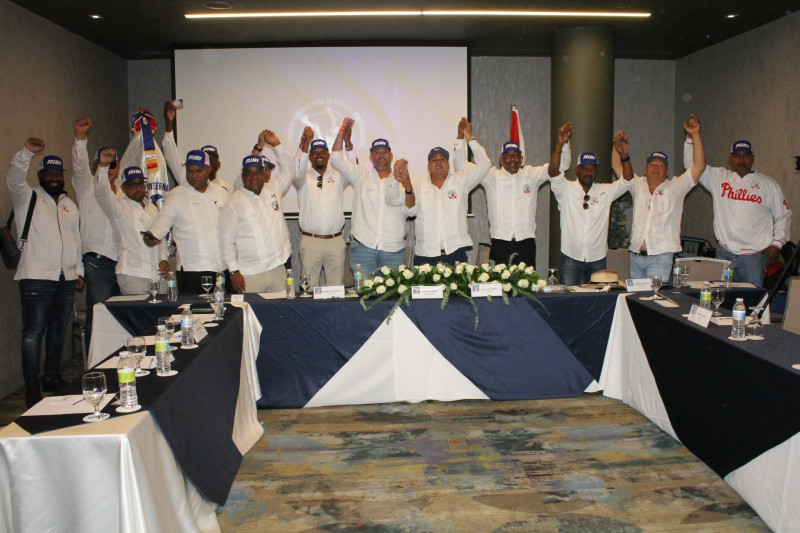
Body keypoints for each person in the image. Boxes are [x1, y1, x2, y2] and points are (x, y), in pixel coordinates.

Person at [6, 138, 85, 407]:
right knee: (33, 333)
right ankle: (31, 385)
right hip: (36, 278)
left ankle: (51, 376)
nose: (53, 177)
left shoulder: (69, 204)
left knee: (57, 331)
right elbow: (14, 177)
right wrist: (26, 152)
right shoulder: (26, 197)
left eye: (57, 173)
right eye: (48, 173)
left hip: (66, 279)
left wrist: (78, 270)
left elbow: (77, 240)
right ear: (40, 176)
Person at [454, 122, 573, 267]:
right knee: (500, 288)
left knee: (526, 288)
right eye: (508, 155)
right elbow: (461, 167)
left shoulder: (531, 174)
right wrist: (462, 138)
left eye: (516, 155)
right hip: (500, 244)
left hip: (526, 243)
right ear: (501, 159)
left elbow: (560, 167)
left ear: (521, 159)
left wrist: (562, 145)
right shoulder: (490, 176)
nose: (512, 159)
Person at [685, 136, 792, 287]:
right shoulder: (719, 178)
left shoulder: (768, 184)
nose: (741, 160)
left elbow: (784, 215)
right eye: (737, 155)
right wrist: (691, 138)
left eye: (746, 155)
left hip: (752, 257)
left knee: (751, 301)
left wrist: (777, 243)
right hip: (724, 253)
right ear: (730, 159)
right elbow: (692, 165)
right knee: (720, 300)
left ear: (752, 158)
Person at [612, 114, 706, 280]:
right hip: (635, 257)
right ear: (645, 170)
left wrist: (695, 135)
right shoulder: (636, 184)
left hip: (660, 259)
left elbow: (698, 167)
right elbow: (616, 165)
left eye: (661, 166)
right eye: (653, 165)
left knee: (654, 302)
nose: (656, 168)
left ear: (666, 172)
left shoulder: (676, 187)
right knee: (637, 301)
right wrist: (617, 146)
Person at [400, 118, 491, 265]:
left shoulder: (461, 181)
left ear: (448, 165)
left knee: (459, 289)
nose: (438, 162)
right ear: (428, 166)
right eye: (434, 160)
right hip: (425, 255)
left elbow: (485, 165)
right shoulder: (417, 185)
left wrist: (467, 137)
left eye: (442, 159)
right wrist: (408, 188)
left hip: (455, 252)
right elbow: (409, 212)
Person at [550, 132, 635, 286]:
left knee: (596, 301)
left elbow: (628, 181)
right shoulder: (566, 189)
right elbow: (554, 173)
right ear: (577, 170)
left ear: (596, 171)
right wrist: (559, 146)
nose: (589, 172)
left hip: (597, 259)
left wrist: (625, 155)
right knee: (570, 300)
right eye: (584, 168)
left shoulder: (605, 191)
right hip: (571, 257)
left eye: (592, 168)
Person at [330, 118, 410, 272]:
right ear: (371, 156)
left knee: (392, 295)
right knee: (363, 294)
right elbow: (336, 159)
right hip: (363, 248)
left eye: (385, 152)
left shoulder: (401, 178)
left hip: (393, 249)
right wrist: (341, 134)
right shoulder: (361, 173)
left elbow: (410, 207)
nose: (381, 155)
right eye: (376, 152)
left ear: (391, 156)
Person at [142, 149, 228, 294]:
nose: (193, 175)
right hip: (192, 272)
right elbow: (161, 224)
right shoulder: (176, 196)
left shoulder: (222, 192)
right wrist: (151, 236)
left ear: (209, 169)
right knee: (196, 315)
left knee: (225, 314)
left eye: (198, 171)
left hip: (222, 269)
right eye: (190, 171)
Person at [219, 130, 293, 293]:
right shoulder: (233, 204)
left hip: (278, 267)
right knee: (250, 317)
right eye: (249, 173)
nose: (254, 177)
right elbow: (226, 242)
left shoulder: (273, 188)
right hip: (250, 274)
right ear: (243, 176)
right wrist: (233, 271)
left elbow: (288, 170)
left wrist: (277, 145)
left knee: (281, 315)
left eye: (258, 172)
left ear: (264, 173)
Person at [71, 117, 120, 348]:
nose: (108, 169)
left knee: (120, 318)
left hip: (122, 264)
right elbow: (79, 166)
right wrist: (81, 138)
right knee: (98, 317)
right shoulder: (85, 187)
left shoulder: (125, 193)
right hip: (98, 264)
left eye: (111, 164)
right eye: (102, 164)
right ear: (94, 167)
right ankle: (94, 368)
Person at [95, 158, 169, 295]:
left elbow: (161, 237)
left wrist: (164, 258)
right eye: (133, 185)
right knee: (137, 316)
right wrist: (103, 167)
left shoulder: (152, 208)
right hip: (133, 275)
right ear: (123, 187)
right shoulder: (118, 207)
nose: (139, 189)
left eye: (141, 184)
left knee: (161, 314)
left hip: (157, 275)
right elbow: (101, 193)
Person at [294, 128, 347, 286]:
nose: (319, 155)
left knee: (336, 290)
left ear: (329, 156)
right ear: (309, 157)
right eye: (314, 152)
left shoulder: (338, 177)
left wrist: (348, 142)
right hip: (311, 241)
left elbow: (352, 166)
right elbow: (298, 166)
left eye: (323, 152)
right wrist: (305, 143)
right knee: (308, 290)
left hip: (335, 241)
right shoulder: (301, 179)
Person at [162, 100, 231, 197]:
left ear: (218, 165)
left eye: (211, 159)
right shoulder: (187, 178)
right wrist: (169, 124)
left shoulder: (225, 188)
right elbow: (171, 155)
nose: (208, 161)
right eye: (206, 159)